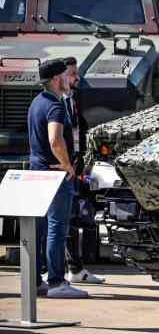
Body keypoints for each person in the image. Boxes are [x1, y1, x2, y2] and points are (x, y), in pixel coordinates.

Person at [27, 58, 88, 299]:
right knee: (57, 229)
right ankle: (56, 282)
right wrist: (66, 166)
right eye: (65, 75)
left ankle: (35, 281)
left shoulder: (36, 102)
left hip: (36, 170)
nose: (69, 79)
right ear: (55, 80)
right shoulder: (55, 105)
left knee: (38, 229)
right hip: (54, 175)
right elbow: (55, 139)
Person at [61, 56, 105, 285]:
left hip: (73, 166)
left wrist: (82, 162)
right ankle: (62, 271)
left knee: (73, 219)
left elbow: (80, 130)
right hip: (61, 168)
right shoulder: (54, 102)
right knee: (62, 221)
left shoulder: (73, 98)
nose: (77, 78)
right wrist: (67, 165)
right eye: (72, 73)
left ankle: (74, 268)